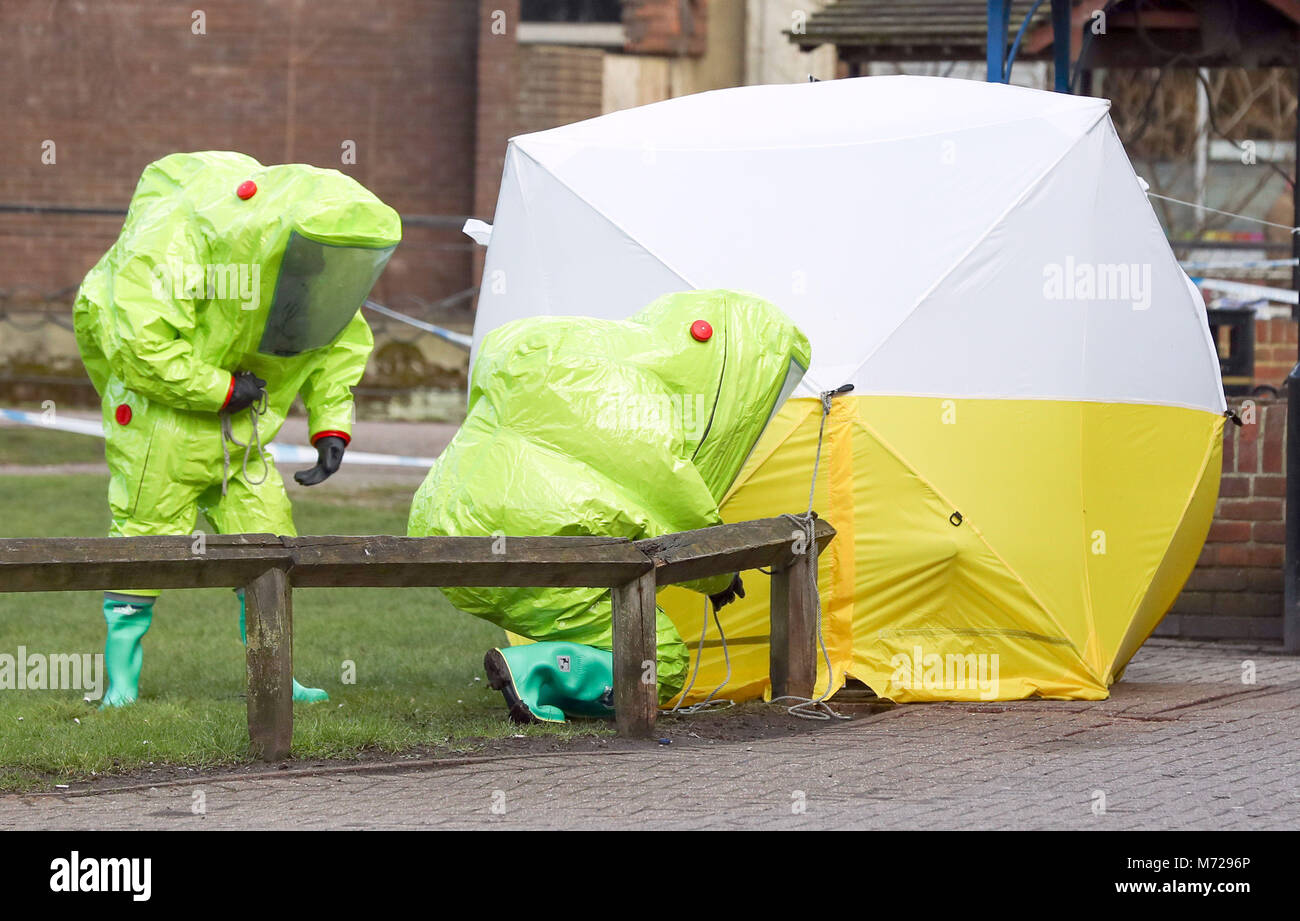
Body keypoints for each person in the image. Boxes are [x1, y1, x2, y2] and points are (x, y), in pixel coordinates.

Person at [73, 151, 401, 707]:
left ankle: (274, 675)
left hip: (244, 442)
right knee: (143, 548)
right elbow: (140, 346)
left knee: (269, 547)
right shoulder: (179, 240)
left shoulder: (303, 267)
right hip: (161, 434)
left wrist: (330, 427)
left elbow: (335, 343)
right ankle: (121, 685)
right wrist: (221, 390)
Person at [409, 289, 810, 722]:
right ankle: (536, 672)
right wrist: (720, 579)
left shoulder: (585, 354)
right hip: (537, 538)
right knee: (660, 662)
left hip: (442, 525)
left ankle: (551, 683)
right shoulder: (643, 404)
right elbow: (674, 513)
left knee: (605, 627)